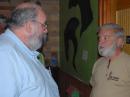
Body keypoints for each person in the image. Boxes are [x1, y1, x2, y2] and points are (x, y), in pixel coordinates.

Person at [0, 2, 60, 97]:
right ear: (29, 27)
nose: (46, 30)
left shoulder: (23, 51)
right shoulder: (5, 54)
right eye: (44, 25)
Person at [90, 23, 130, 97]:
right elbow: (94, 86)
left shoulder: (128, 63)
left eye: (105, 38)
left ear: (119, 41)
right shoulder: (98, 63)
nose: (100, 42)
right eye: (99, 38)